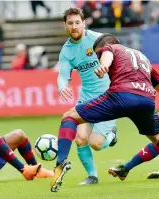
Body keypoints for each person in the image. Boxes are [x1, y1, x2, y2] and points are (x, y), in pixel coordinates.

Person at [50, 33, 159, 192]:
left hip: (120, 96)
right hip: (146, 100)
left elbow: (107, 54)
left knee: (69, 116)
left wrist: (104, 65)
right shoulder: (142, 57)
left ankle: (61, 163)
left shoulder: (110, 47)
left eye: (97, 54)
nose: (97, 57)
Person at [57, 7, 118, 185]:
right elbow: (63, 73)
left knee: (96, 143)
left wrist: (106, 65)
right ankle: (92, 176)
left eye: (77, 22)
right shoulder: (66, 51)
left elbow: (114, 52)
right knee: (80, 138)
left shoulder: (97, 39)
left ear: (84, 23)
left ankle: (111, 136)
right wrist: (62, 86)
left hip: (108, 97)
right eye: (70, 23)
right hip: (86, 97)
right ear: (65, 26)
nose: (74, 26)